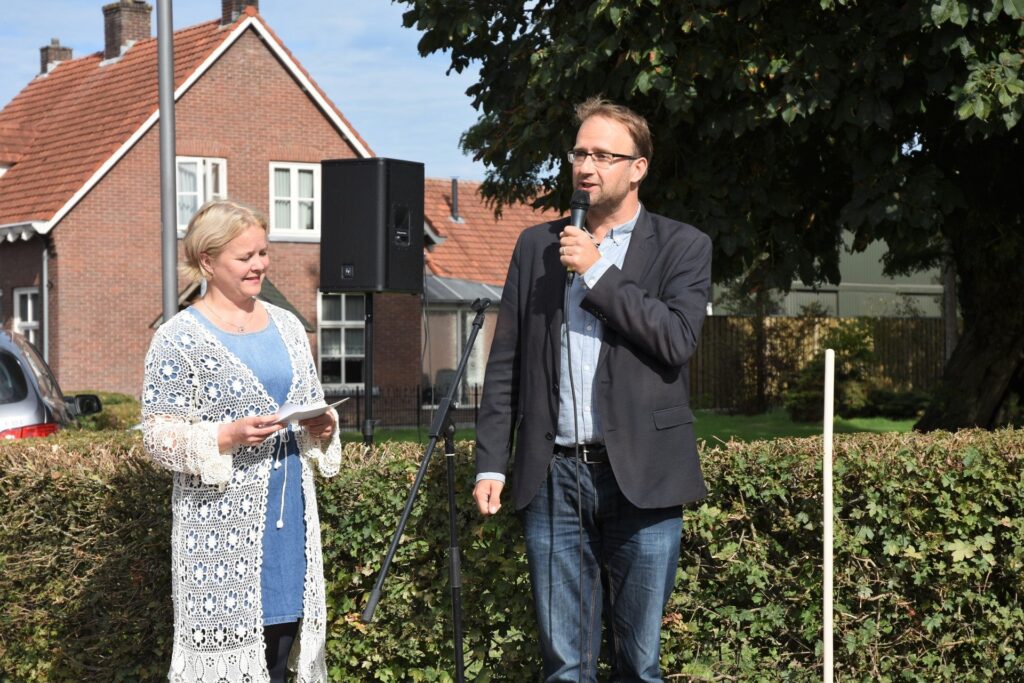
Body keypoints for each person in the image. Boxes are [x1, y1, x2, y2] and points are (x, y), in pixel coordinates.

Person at [473, 98, 712, 682]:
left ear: (638, 168)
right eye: (580, 151)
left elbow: (676, 339)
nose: (586, 165)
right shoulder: (537, 246)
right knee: (565, 666)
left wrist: (599, 270)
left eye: (605, 155)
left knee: (640, 663)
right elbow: (507, 362)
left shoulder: (683, 245)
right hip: (553, 475)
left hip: (643, 476)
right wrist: (491, 465)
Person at [141, 199, 341, 683]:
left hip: (289, 532)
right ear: (207, 262)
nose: (259, 266)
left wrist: (324, 426)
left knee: (279, 665)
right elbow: (156, 435)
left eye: (263, 253)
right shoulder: (178, 338)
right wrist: (224, 436)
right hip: (220, 540)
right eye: (245, 257)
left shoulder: (289, 326)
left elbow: (311, 403)